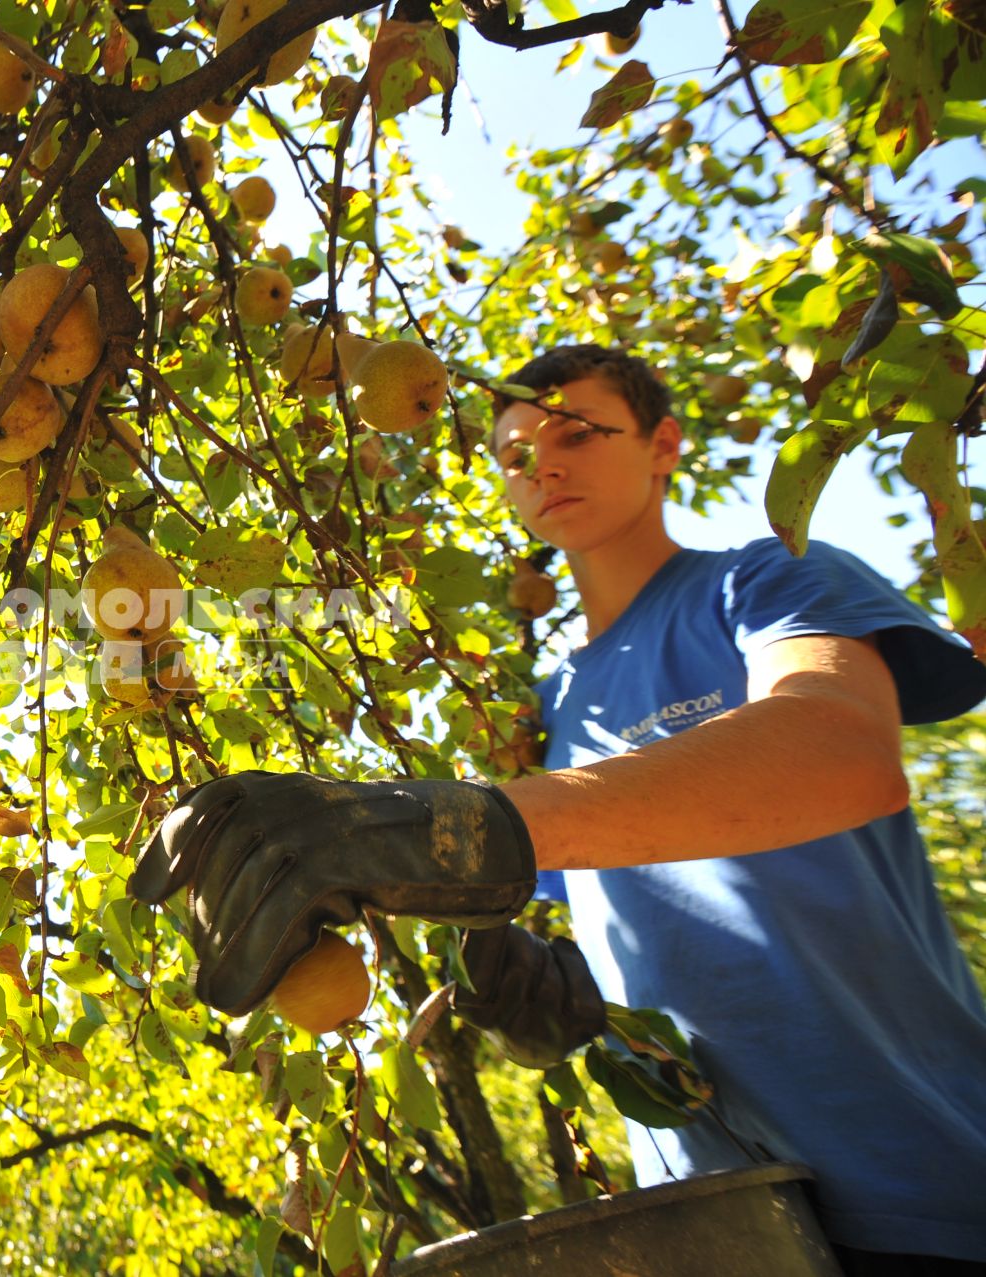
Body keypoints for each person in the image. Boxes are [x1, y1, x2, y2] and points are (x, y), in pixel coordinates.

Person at [129, 345, 986, 1274]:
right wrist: (546, 998)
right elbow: (598, 909)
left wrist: (462, 827)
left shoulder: (762, 581)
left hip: (923, 1181)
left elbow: (841, 748)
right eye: (513, 455)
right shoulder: (545, 709)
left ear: (664, 443)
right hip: (722, 1221)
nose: (544, 465)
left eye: (576, 432)